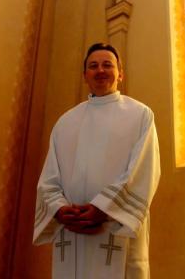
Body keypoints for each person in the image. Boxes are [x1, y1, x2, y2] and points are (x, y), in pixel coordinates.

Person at [33, 43, 160, 278]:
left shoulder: (140, 115)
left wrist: (102, 208)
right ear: (85, 76)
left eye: (107, 65)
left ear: (120, 74)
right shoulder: (65, 123)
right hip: (72, 235)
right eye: (93, 66)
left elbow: (143, 172)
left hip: (115, 229)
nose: (100, 70)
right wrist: (59, 209)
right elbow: (49, 179)